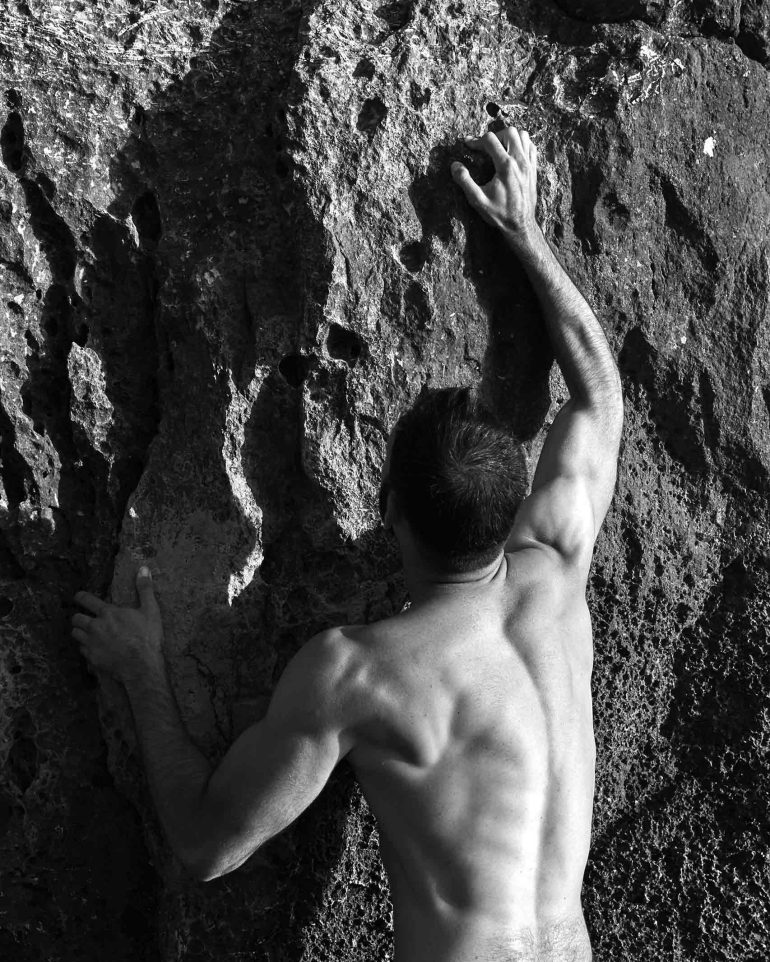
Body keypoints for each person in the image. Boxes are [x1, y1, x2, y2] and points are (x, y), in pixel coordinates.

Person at [72, 127, 623, 962]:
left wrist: (141, 668)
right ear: (513, 505)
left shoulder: (357, 675)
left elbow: (207, 845)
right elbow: (599, 394)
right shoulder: (556, 572)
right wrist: (524, 230)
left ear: (390, 511)